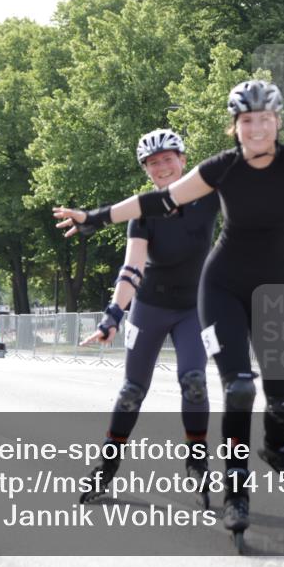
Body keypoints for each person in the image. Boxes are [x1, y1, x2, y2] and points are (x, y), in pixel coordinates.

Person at [54, 20, 284, 546]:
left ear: (277, 122)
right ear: (235, 127)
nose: (256, 128)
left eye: (264, 119)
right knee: (235, 388)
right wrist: (94, 218)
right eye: (246, 121)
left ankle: (276, 446)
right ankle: (232, 491)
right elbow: (157, 203)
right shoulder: (220, 169)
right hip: (213, 289)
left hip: (270, 291)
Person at [62, 129, 219, 509]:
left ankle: (197, 461)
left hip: (193, 308)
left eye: (168, 159)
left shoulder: (208, 197)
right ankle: (107, 464)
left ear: (183, 160)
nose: (162, 167)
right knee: (132, 391)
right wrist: (113, 315)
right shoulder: (142, 214)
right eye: (153, 163)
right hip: (150, 307)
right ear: (146, 171)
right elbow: (132, 268)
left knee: (194, 382)